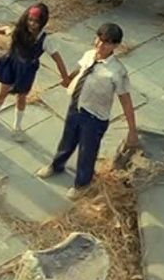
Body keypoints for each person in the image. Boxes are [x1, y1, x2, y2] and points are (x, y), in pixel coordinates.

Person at [35, 23, 139, 199]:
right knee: (67, 141)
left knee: (87, 151)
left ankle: (82, 184)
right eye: (99, 39)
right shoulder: (89, 54)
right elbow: (81, 69)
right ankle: (56, 165)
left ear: (115, 45)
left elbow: (126, 100)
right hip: (76, 106)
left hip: (94, 117)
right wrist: (69, 78)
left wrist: (132, 129)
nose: (100, 45)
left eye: (106, 43)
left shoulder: (117, 71)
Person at [0, 3, 71, 141]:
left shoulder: (45, 40)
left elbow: (58, 59)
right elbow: (1, 30)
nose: (32, 24)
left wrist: (65, 78)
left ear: (42, 22)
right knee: (3, 92)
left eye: (36, 22)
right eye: (30, 20)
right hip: (11, 65)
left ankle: (17, 127)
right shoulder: (18, 30)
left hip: (27, 70)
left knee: (21, 97)